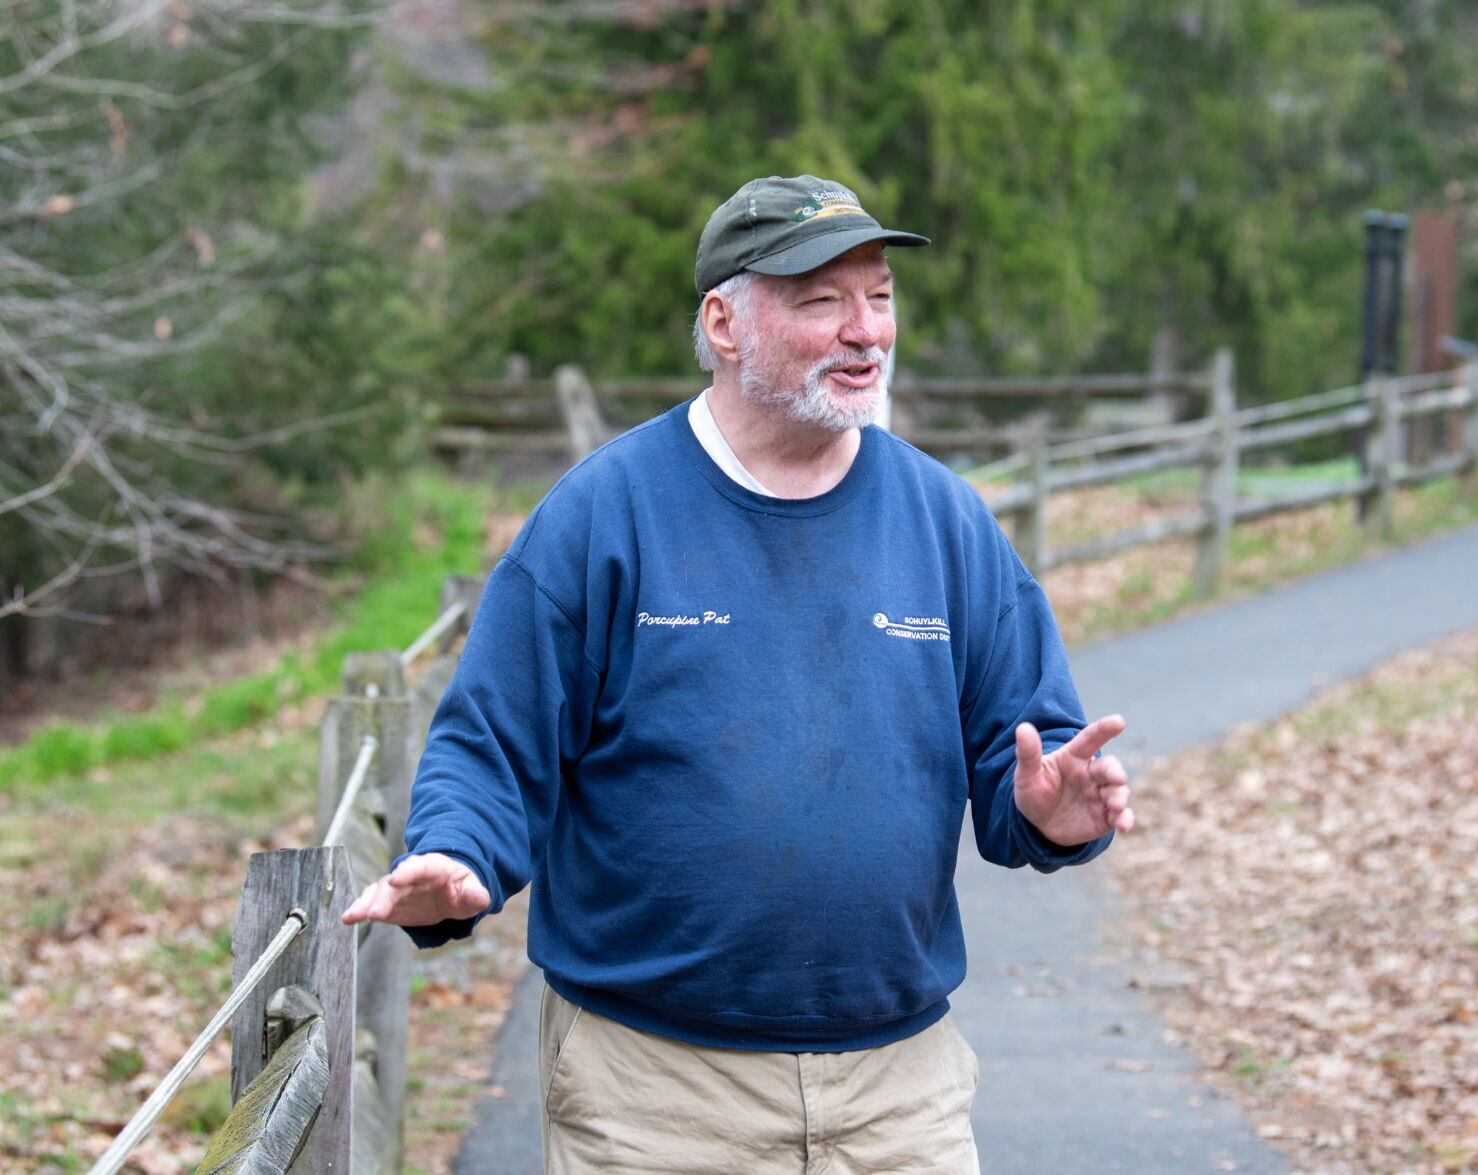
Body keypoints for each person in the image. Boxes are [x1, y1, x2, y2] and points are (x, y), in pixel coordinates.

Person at [342, 174, 1133, 1175]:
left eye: (879, 296)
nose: (864, 331)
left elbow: (1027, 753)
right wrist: (456, 857)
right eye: (821, 301)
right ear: (724, 321)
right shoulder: (604, 514)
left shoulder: (944, 520)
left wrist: (1058, 813)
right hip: (656, 1095)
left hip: (901, 1096)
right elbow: (491, 742)